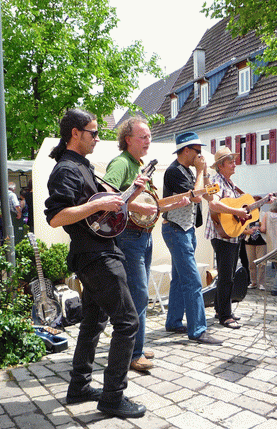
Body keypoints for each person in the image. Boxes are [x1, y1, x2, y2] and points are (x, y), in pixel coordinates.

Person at [44, 108, 147, 419]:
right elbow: (56, 217)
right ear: (75, 133)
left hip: (93, 253)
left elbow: (102, 211)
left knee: (93, 323)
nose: (98, 138)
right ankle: (114, 396)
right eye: (93, 133)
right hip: (97, 256)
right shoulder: (66, 170)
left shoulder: (82, 166)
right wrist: (102, 202)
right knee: (128, 321)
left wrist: (130, 195)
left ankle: (79, 386)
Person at [103, 117, 188, 371]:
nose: (148, 141)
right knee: (138, 295)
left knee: (139, 295)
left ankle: (136, 346)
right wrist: (135, 198)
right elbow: (108, 194)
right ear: (127, 139)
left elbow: (148, 205)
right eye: (143, 137)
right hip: (129, 238)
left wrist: (176, 203)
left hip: (144, 236)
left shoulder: (140, 165)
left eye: (149, 136)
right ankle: (132, 354)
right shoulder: (121, 163)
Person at [161, 132, 223, 344]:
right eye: (197, 151)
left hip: (185, 230)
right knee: (192, 280)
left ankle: (173, 322)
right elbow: (196, 195)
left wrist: (204, 172)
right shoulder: (174, 172)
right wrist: (198, 171)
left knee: (179, 279)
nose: (200, 155)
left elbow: (206, 194)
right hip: (176, 229)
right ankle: (198, 330)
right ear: (186, 150)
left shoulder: (188, 171)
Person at [206, 146, 258, 329]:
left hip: (232, 236)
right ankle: (225, 316)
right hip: (222, 235)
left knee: (227, 275)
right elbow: (214, 205)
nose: (235, 164)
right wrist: (236, 210)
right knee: (227, 276)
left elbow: (237, 209)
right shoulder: (215, 181)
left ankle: (221, 309)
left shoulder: (230, 184)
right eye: (231, 162)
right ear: (220, 166)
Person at [244, 220, 266, 290]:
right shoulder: (248, 217)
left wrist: (259, 228)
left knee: (262, 264)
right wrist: (248, 231)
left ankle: (261, 283)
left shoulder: (263, 216)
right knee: (251, 263)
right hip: (249, 242)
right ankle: (253, 282)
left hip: (262, 242)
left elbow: (267, 229)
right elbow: (242, 229)